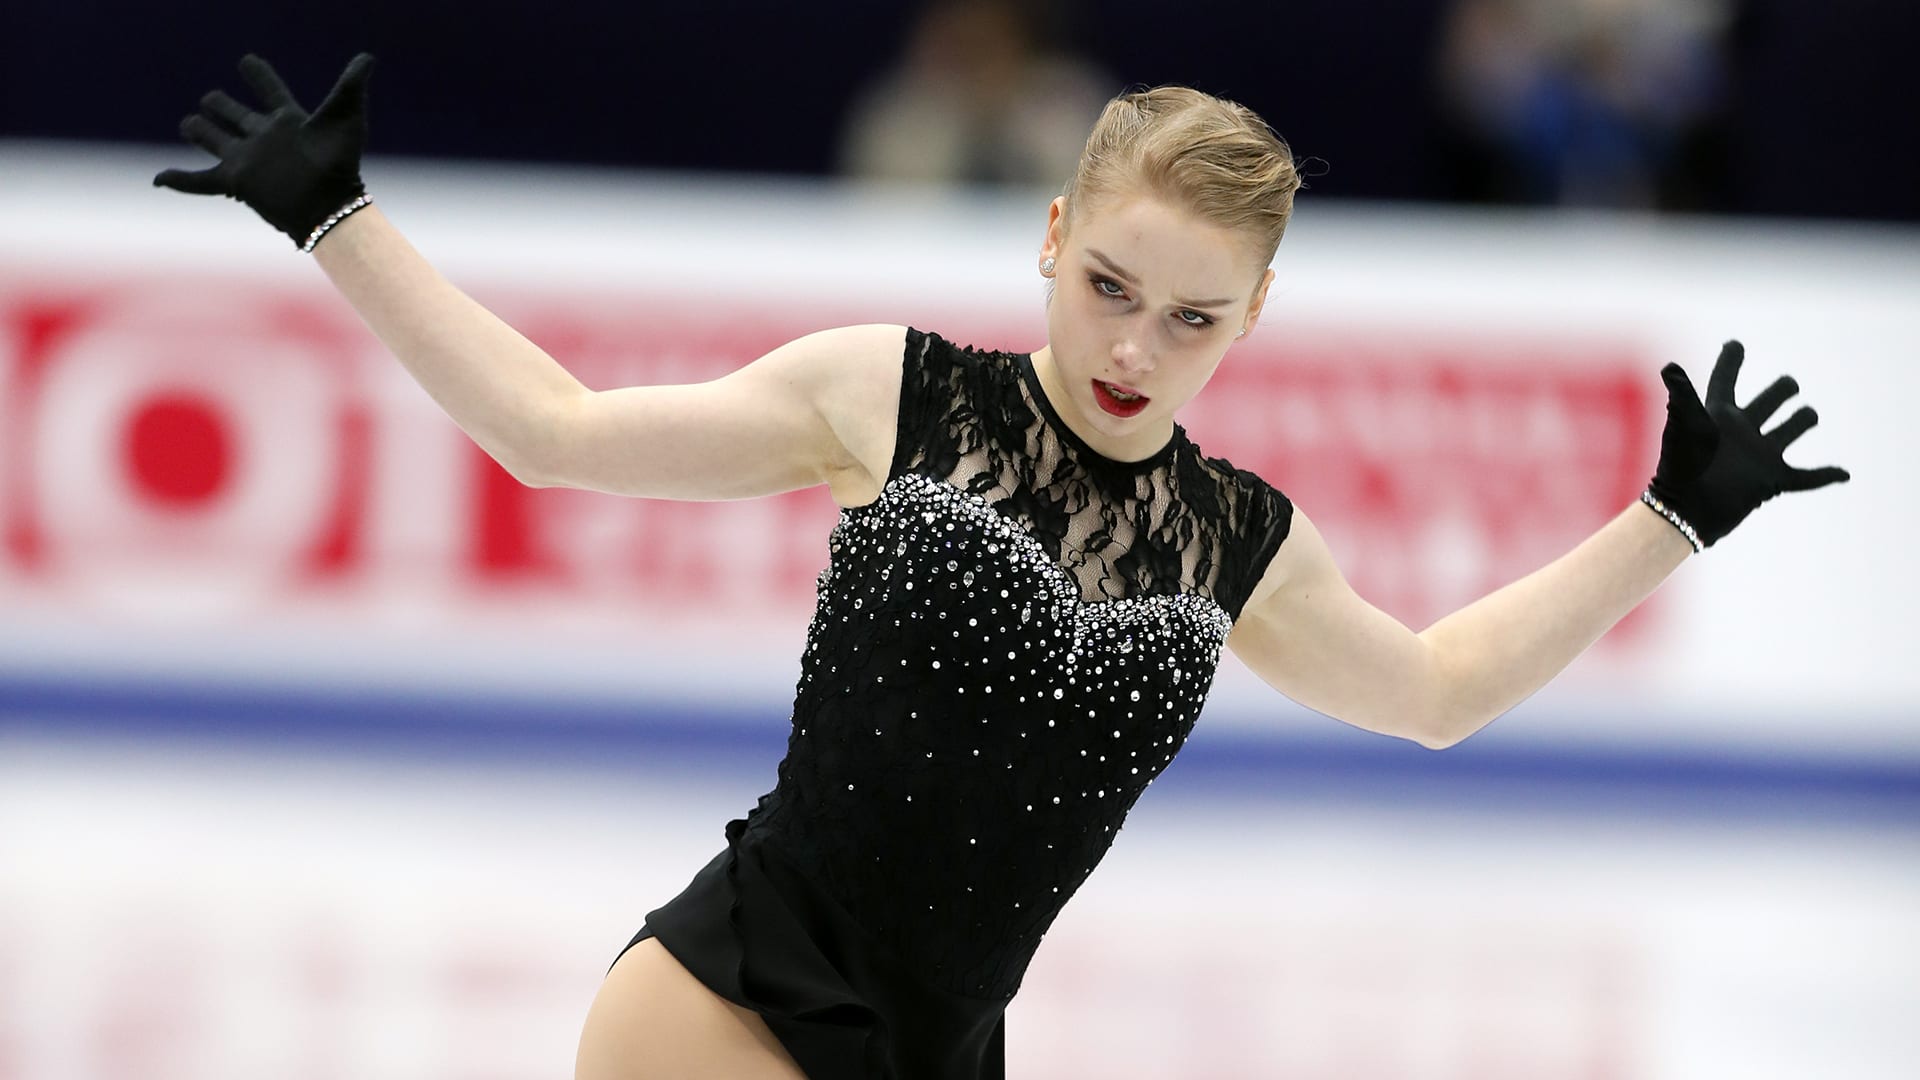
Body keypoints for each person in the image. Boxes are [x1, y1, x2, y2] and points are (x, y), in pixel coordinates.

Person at [156, 54, 1848, 1080]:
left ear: (1255, 316)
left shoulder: (1236, 541)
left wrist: (1666, 523)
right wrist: (338, 222)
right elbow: (554, 432)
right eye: (1109, 286)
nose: (1135, 349)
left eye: (1193, 319)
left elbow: (1435, 691)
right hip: (732, 1004)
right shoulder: (889, 395)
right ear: (1052, 236)